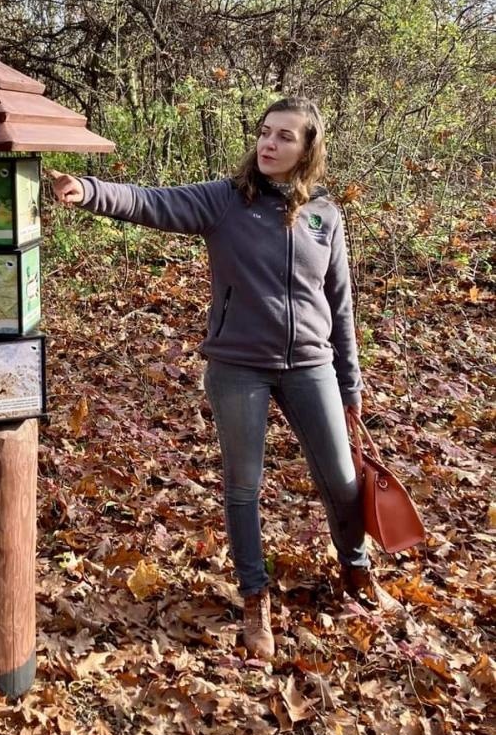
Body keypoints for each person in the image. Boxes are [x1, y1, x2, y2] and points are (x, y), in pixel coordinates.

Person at [50, 97, 396, 663]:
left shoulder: (324, 215)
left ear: (308, 148)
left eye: (285, 136)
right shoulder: (224, 201)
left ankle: (355, 570)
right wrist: (88, 190)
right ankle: (255, 597)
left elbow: (341, 309)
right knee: (244, 486)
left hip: (312, 366)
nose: (269, 144)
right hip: (238, 365)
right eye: (264, 133)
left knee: (343, 479)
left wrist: (350, 386)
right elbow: (150, 202)